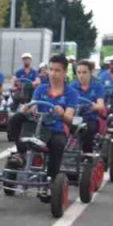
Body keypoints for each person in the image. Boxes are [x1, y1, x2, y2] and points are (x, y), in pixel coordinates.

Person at [11, 54, 76, 194]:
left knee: (58, 143)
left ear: (64, 72)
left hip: (56, 129)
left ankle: (53, 180)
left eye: (57, 70)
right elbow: (33, 108)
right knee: (16, 118)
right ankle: (21, 154)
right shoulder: (41, 89)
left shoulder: (71, 93)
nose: (53, 73)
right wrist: (28, 109)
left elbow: (70, 118)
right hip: (38, 127)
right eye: (51, 69)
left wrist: (62, 114)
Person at [68, 59, 107, 155]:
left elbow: (101, 105)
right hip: (75, 116)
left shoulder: (98, 86)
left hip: (90, 117)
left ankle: (87, 156)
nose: (81, 75)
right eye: (79, 72)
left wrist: (94, 107)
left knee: (88, 130)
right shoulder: (72, 86)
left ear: (90, 72)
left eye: (84, 72)